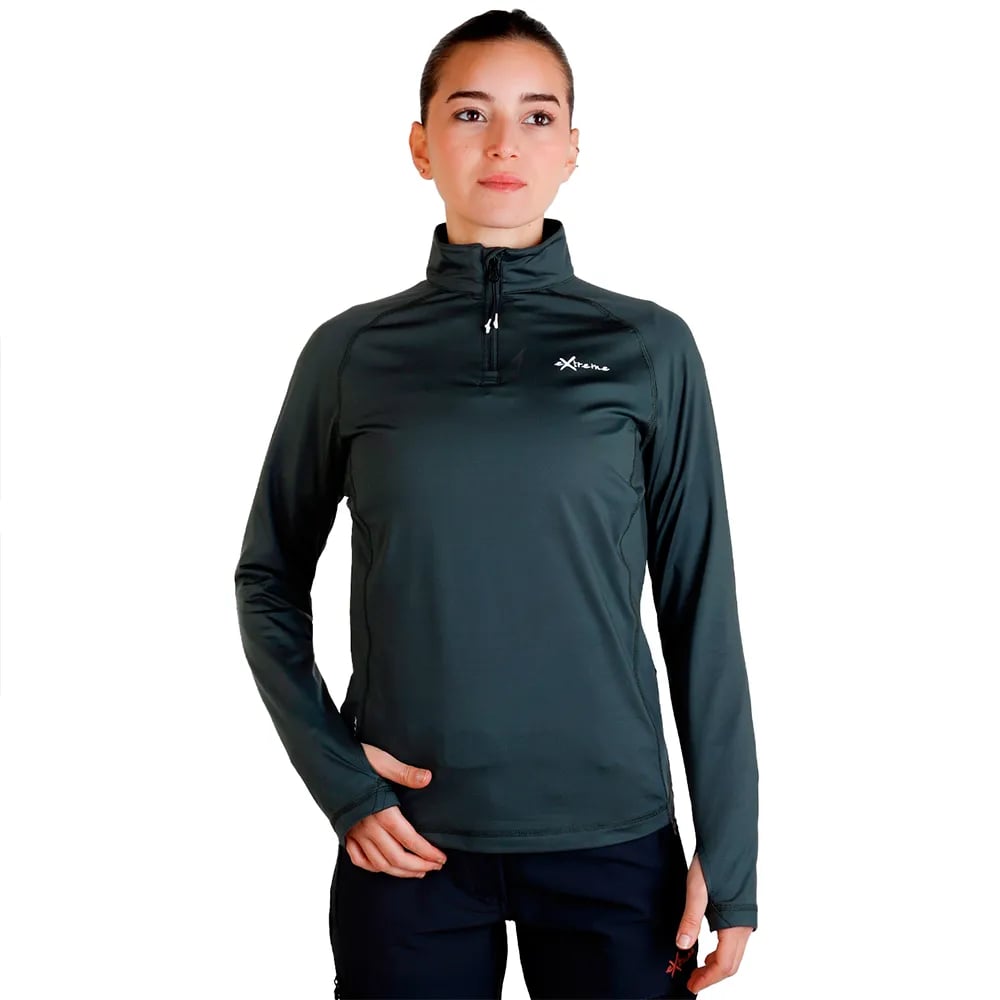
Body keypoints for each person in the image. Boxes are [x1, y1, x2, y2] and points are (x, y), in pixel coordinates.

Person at [234, 8, 759, 998]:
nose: (504, 143)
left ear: (573, 148)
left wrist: (729, 852)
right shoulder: (350, 353)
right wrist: (340, 777)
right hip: (404, 838)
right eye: (470, 113)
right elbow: (267, 579)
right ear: (421, 146)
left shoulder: (650, 347)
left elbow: (700, 605)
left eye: (537, 115)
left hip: (613, 839)